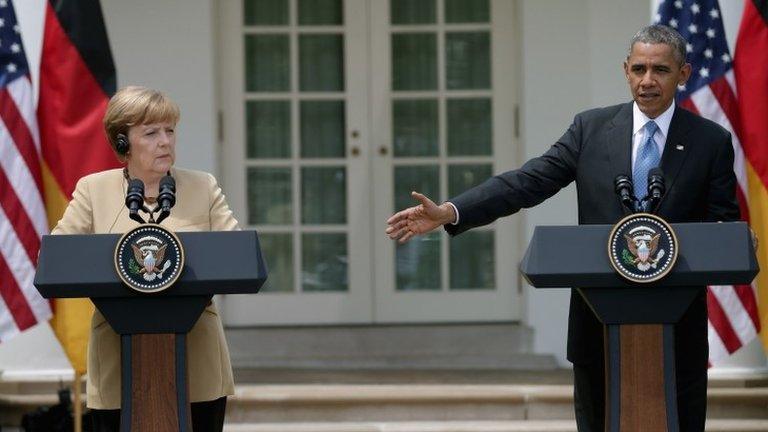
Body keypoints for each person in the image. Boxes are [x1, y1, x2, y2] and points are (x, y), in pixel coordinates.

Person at [386, 25, 739, 432]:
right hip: (599, 324)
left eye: (660, 69)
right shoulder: (590, 130)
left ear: (683, 74)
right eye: (638, 68)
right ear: (625, 70)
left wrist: (735, 239)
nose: (647, 80)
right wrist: (451, 211)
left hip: (676, 330)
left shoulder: (710, 141)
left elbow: (722, 223)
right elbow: (527, 181)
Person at [51, 86, 238, 432]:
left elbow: (234, 255)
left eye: (169, 130)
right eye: (151, 133)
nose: (165, 141)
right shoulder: (93, 190)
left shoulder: (203, 187)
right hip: (118, 359)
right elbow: (59, 257)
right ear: (122, 143)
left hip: (196, 357)